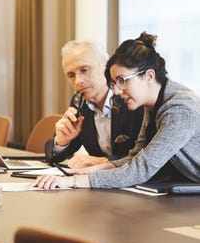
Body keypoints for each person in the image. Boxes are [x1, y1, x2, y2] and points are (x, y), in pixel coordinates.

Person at [33, 32, 200, 190]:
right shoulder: (153, 104)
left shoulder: (179, 108)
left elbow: (141, 168)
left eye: (123, 81)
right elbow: (135, 156)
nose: (118, 91)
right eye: (115, 83)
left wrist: (74, 181)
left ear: (149, 76)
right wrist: (94, 170)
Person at [45, 40, 144, 168]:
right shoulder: (79, 104)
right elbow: (54, 156)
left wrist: (104, 162)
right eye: (71, 75)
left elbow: (149, 157)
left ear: (106, 67)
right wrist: (61, 142)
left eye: (84, 70)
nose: (78, 81)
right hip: (99, 184)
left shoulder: (132, 99)